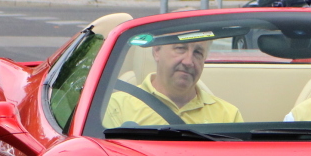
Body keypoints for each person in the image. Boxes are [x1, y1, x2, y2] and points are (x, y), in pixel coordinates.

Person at [103, 35, 242, 128]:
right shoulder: (116, 107)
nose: (188, 61)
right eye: (180, 48)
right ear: (157, 51)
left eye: (198, 53)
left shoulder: (228, 116)